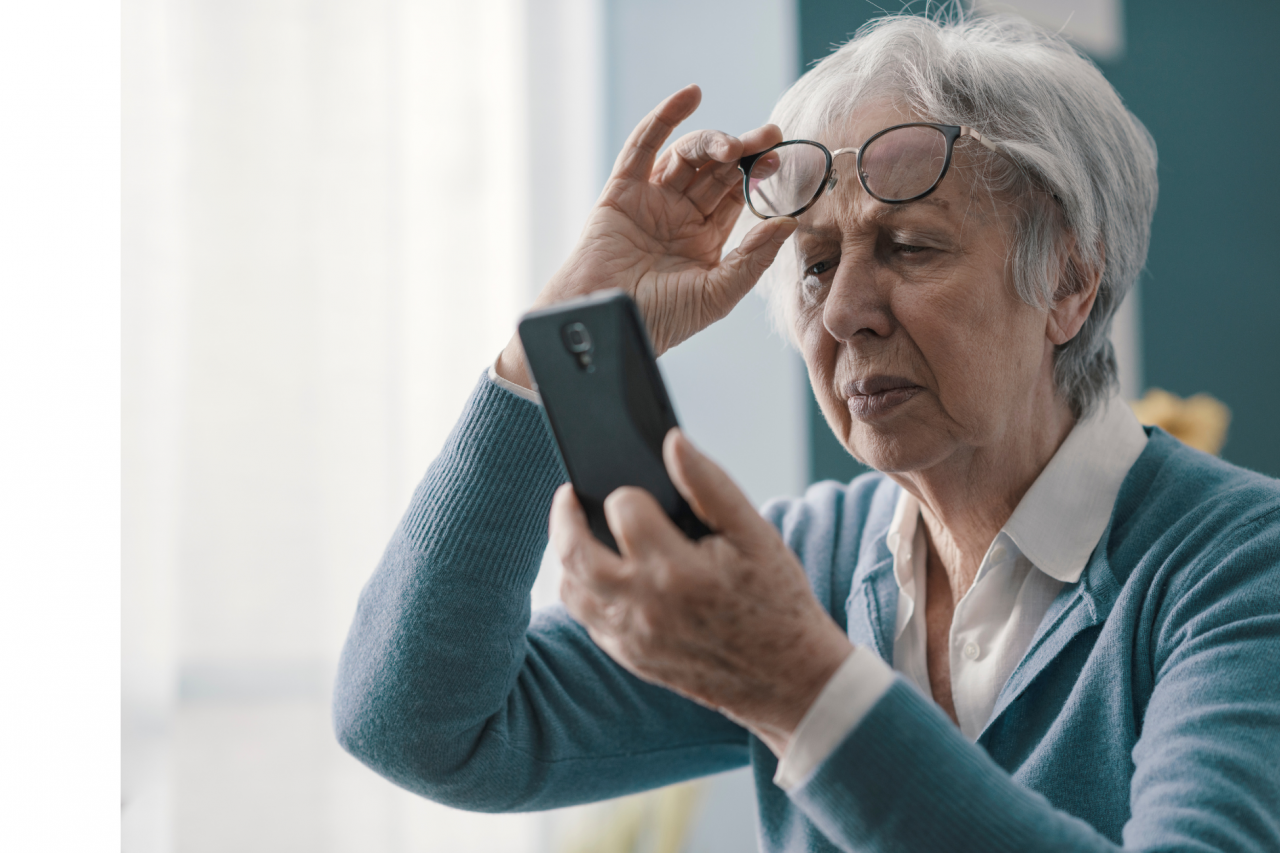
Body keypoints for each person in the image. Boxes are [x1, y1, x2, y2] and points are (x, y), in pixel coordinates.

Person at [333, 11, 1280, 852]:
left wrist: (797, 686)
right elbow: (418, 725)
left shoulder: (1242, 565)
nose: (843, 314)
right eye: (818, 263)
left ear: (1070, 285)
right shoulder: (812, 565)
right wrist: (560, 344)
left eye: (908, 246)